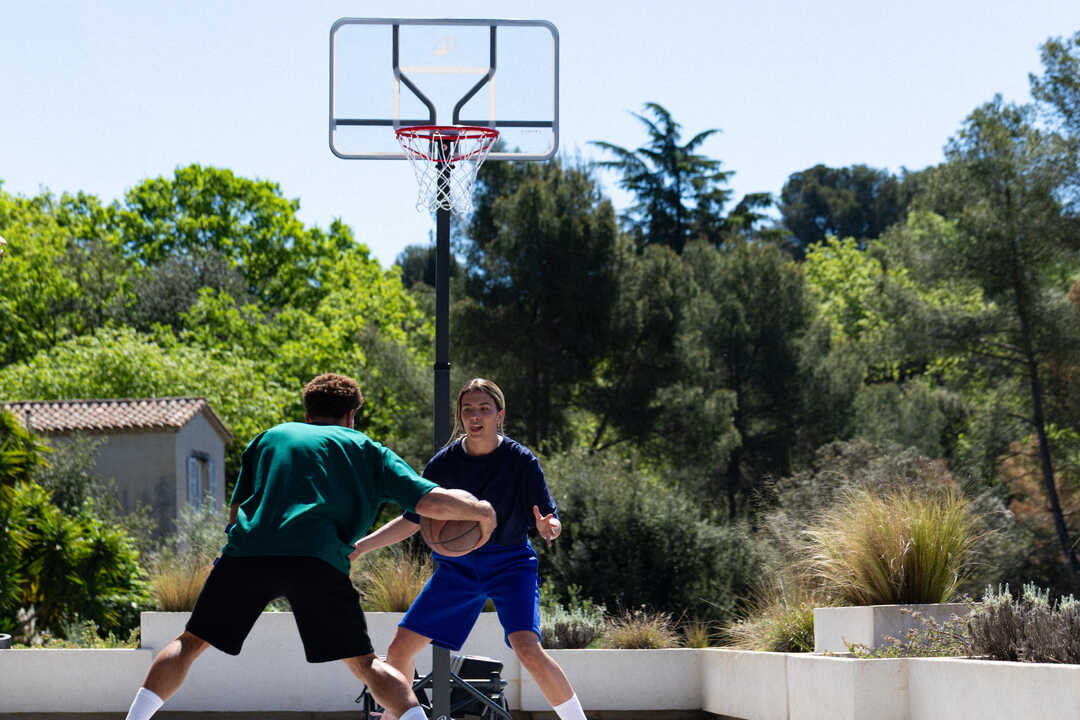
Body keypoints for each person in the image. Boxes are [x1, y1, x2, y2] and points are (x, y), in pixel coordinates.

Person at [123, 373, 496, 720]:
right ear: (351, 414)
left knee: (190, 643)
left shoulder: (271, 438)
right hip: (318, 559)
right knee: (366, 665)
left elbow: (237, 513)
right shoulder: (367, 448)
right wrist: (482, 510)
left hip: (249, 554)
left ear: (307, 412)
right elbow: (429, 503)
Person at [353, 378, 587, 720]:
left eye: (484, 409)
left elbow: (548, 514)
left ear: (499, 415)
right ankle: (400, 716)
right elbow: (413, 519)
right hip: (459, 568)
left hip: (511, 564)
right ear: (460, 417)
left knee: (528, 649)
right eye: (468, 410)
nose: (475, 416)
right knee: (399, 648)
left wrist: (550, 526)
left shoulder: (521, 461)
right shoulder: (443, 465)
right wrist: (361, 546)